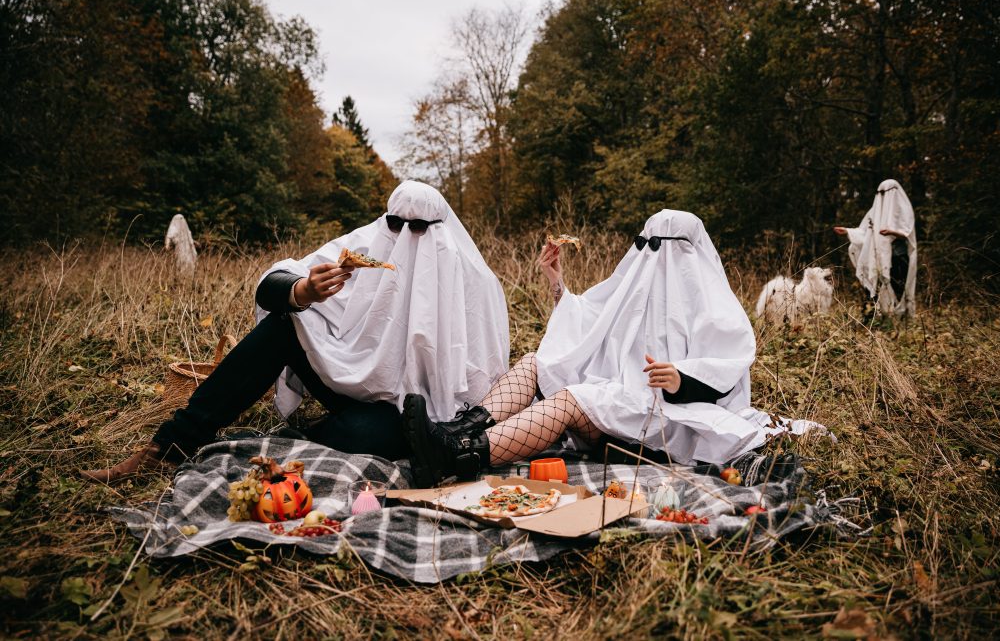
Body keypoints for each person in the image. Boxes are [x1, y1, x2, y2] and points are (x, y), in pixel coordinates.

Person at [81, 180, 510, 483]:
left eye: (418, 229)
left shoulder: (474, 281)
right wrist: (303, 290)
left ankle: (276, 444)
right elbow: (273, 283)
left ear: (438, 229)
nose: (404, 240)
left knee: (362, 436)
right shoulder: (370, 245)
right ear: (386, 220)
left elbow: (481, 380)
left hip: (412, 415)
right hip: (346, 379)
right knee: (286, 325)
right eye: (397, 225)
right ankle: (169, 446)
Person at [401, 210, 823, 488]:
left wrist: (681, 378)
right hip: (616, 407)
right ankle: (456, 430)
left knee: (569, 399)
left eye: (666, 248)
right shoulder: (637, 280)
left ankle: (458, 456)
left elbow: (728, 367)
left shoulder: (714, 303)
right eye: (648, 244)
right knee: (536, 362)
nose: (654, 258)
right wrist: (556, 281)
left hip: (663, 427)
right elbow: (589, 319)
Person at [834, 178, 917, 318]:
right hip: (879, 258)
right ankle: (879, 319)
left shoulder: (903, 208)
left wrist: (892, 232)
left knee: (899, 289)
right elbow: (865, 231)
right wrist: (848, 231)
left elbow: (908, 234)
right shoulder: (876, 210)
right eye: (881, 193)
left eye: (886, 193)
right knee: (878, 288)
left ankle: (901, 321)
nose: (883, 196)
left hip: (898, 256)